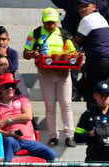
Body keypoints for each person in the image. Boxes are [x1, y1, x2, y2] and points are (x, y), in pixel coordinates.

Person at [24, 8, 78, 147]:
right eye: (48, 23)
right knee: (50, 106)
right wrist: (33, 54)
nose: (51, 25)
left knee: (66, 104)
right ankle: (53, 136)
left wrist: (71, 57)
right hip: (46, 73)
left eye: (53, 22)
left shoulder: (63, 33)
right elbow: (26, 52)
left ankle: (69, 136)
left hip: (63, 72)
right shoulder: (35, 33)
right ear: (43, 21)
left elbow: (74, 51)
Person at [0, 73, 57, 162]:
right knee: (8, 141)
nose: (11, 89)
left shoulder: (22, 98)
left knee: (51, 154)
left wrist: (6, 121)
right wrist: (7, 134)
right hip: (12, 140)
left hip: (28, 140)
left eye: (13, 86)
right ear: (0, 89)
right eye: (7, 86)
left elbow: (28, 116)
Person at [74, 0, 109, 107]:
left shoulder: (87, 20)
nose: (83, 9)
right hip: (106, 62)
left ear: (93, 6)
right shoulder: (100, 17)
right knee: (83, 86)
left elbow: (76, 43)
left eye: (86, 6)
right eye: (80, 6)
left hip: (98, 62)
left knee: (92, 96)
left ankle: (94, 119)